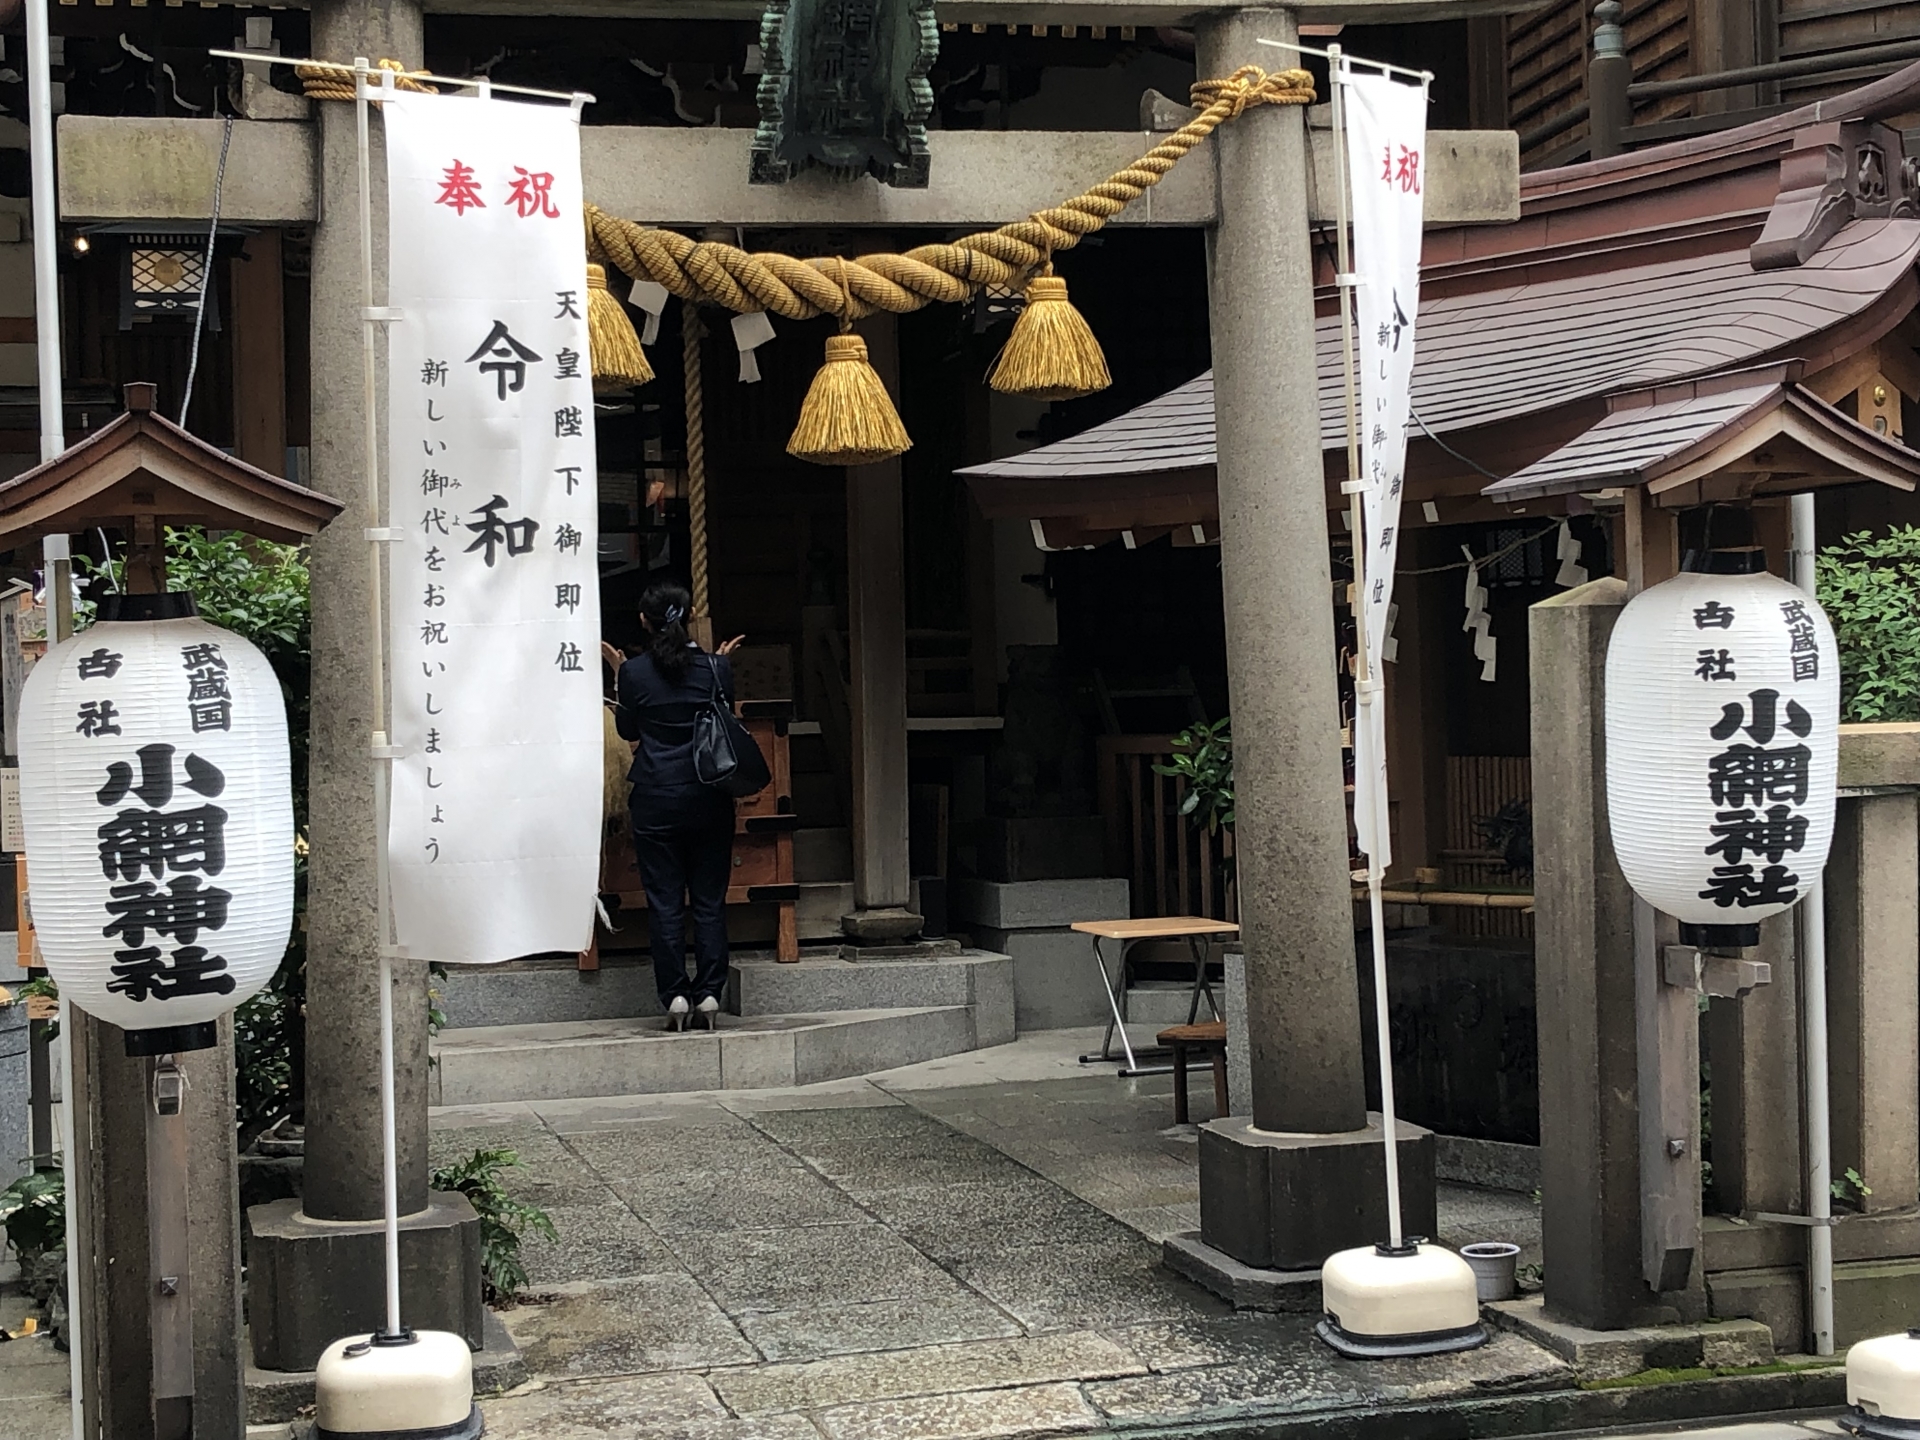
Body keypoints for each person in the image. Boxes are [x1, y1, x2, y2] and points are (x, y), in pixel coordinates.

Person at [602, 581, 744, 1031]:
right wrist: (720, 664)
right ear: (688, 615)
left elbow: (627, 731)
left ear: (643, 621)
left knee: (664, 902)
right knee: (708, 901)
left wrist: (618, 672)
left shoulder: (635, 674)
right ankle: (708, 994)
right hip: (708, 794)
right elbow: (725, 718)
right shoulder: (715, 668)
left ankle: (675, 995)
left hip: (656, 795)